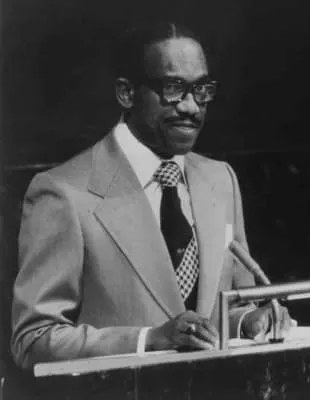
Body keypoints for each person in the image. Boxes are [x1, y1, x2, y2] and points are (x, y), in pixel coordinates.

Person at [10, 22, 293, 370]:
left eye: (202, 90)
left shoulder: (221, 180)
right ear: (126, 93)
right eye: (174, 88)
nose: (192, 107)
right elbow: (34, 339)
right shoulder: (63, 193)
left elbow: (227, 308)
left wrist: (249, 322)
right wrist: (147, 340)